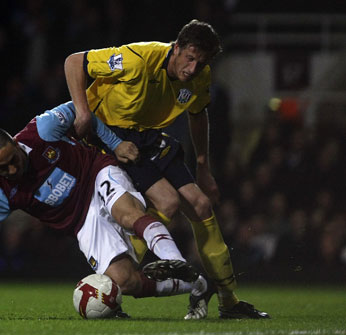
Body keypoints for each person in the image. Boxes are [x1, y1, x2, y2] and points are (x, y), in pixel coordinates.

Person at [64, 19, 269, 319]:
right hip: (111, 137)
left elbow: (198, 115)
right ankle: (118, 283)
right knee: (168, 203)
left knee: (200, 204)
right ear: (177, 48)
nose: (192, 69)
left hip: (147, 136)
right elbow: (74, 62)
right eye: (189, 58)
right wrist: (82, 111)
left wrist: (202, 165)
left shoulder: (200, 77)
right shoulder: (136, 59)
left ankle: (229, 301)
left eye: (201, 62)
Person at [0, 101, 210, 318]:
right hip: (82, 221)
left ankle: (175, 261)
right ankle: (197, 284)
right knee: (125, 282)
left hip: (97, 173)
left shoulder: (42, 129)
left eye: (14, 160)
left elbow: (80, 110)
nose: (12, 170)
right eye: (2, 168)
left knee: (128, 215)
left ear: (17, 144)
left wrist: (115, 142)